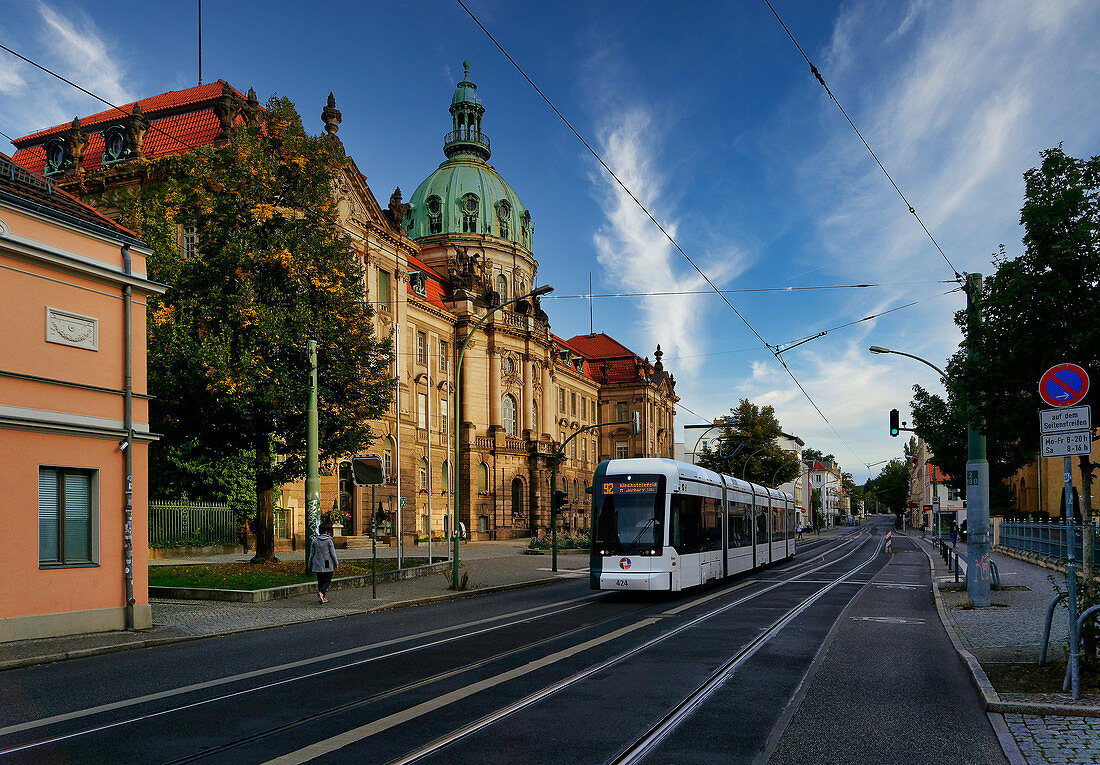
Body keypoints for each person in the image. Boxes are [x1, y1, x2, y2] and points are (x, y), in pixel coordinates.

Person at [309, 522, 339, 603]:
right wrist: (336, 563)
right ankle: (322, 593)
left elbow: (311, 553)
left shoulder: (315, 541)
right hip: (327, 562)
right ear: (326, 532)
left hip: (317, 562)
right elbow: (333, 553)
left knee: (320, 580)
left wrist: (309, 563)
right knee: (328, 579)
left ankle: (322, 596)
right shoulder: (329, 540)